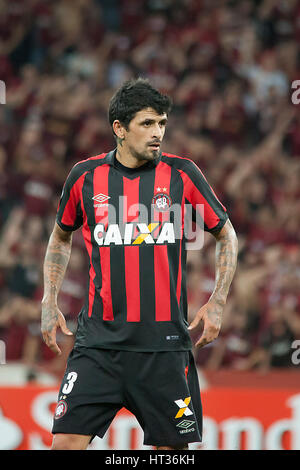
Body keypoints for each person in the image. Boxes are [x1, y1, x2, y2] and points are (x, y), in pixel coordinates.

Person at [41, 78, 238, 450]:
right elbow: (60, 236)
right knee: (64, 445)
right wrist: (49, 301)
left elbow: (226, 234)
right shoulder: (85, 177)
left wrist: (218, 300)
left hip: (163, 349)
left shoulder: (182, 174)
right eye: (147, 124)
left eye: (162, 123)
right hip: (98, 347)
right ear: (119, 128)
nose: (158, 133)